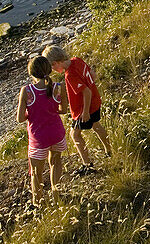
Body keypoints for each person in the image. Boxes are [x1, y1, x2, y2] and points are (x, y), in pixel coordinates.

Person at [42, 45, 114, 174]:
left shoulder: (70, 75)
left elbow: (86, 92)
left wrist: (85, 111)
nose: (53, 70)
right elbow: (93, 74)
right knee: (96, 126)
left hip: (83, 108)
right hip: (95, 101)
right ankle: (109, 151)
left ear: (57, 62)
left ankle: (87, 165)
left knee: (74, 135)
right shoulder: (77, 60)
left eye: (52, 67)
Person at [16, 55, 68, 207]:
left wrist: (32, 113)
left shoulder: (26, 91)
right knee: (55, 163)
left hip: (38, 139)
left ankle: (37, 203)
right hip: (57, 134)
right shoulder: (58, 87)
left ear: (31, 73)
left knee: (36, 173)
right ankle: (56, 194)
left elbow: (20, 118)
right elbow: (63, 110)